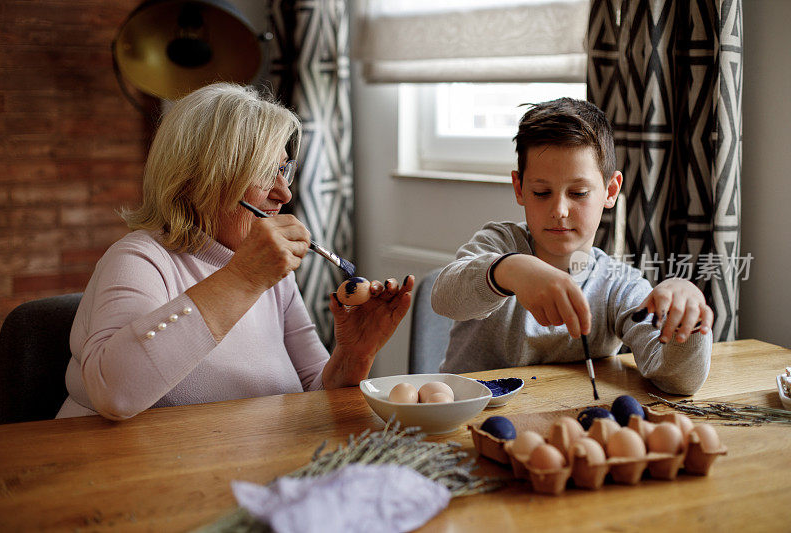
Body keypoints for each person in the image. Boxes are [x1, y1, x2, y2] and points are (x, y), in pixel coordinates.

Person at [57, 83, 414, 420]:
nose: (284, 194)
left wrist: (353, 355)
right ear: (200, 178)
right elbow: (115, 393)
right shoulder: (139, 259)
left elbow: (314, 395)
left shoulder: (273, 277)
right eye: (263, 172)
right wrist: (245, 277)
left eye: (284, 171)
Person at [431, 97, 712, 395]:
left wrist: (688, 324)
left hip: (567, 428)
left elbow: (679, 381)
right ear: (519, 188)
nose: (560, 210)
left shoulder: (618, 286)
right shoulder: (499, 245)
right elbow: (445, 298)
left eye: (578, 193)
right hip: (472, 424)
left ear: (610, 191)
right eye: (541, 193)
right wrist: (510, 270)